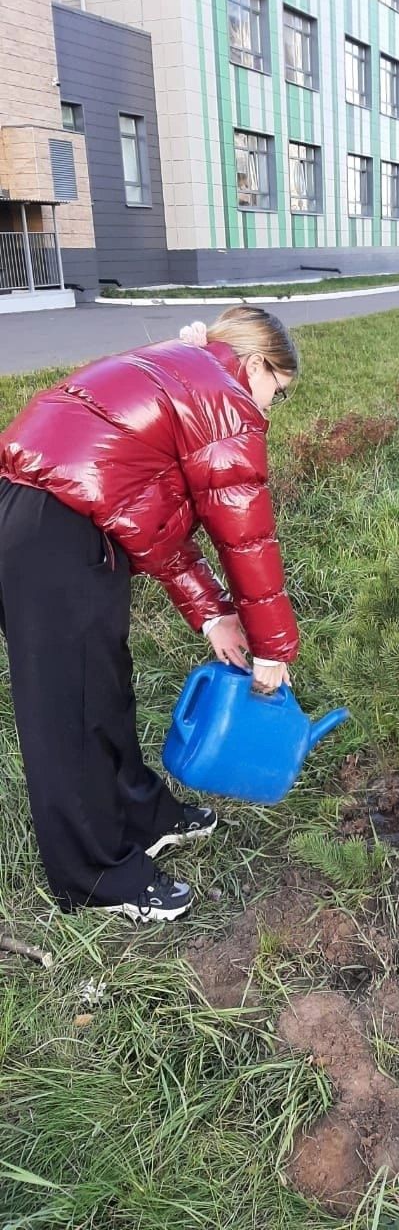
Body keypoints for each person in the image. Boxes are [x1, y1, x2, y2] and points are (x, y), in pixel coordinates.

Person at [0, 306, 299, 923]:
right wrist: (273, 649)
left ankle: (143, 814)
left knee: (102, 687)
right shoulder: (224, 398)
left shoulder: (183, 370)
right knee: (68, 713)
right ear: (254, 364)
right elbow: (246, 534)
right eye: (280, 389)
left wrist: (214, 615)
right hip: (56, 531)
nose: (273, 406)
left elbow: (146, 519)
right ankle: (97, 875)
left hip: (46, 514)